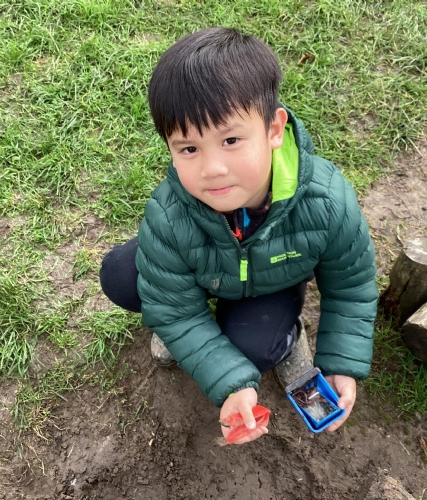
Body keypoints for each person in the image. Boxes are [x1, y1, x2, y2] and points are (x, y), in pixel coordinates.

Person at [100, 27, 378, 444]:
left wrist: (341, 362)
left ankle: (287, 335)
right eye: (189, 149)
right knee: (123, 276)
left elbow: (351, 286)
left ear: (274, 129)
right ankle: (193, 339)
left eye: (230, 139)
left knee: (254, 350)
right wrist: (229, 382)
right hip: (205, 271)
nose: (212, 169)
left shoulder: (328, 201)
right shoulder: (169, 214)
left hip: (271, 283)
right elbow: (175, 311)